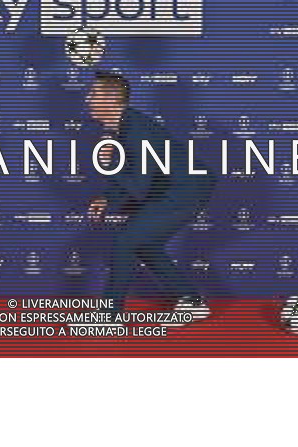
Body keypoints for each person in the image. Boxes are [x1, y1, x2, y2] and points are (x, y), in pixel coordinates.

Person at [86, 71, 215, 319]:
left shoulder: (135, 129)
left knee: (125, 241)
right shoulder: (126, 126)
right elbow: (137, 173)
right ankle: (192, 301)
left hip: (184, 189)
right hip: (175, 188)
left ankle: (110, 315)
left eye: (93, 94)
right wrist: (108, 198)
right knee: (145, 245)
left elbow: (138, 185)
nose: (87, 99)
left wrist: (107, 170)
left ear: (111, 100)